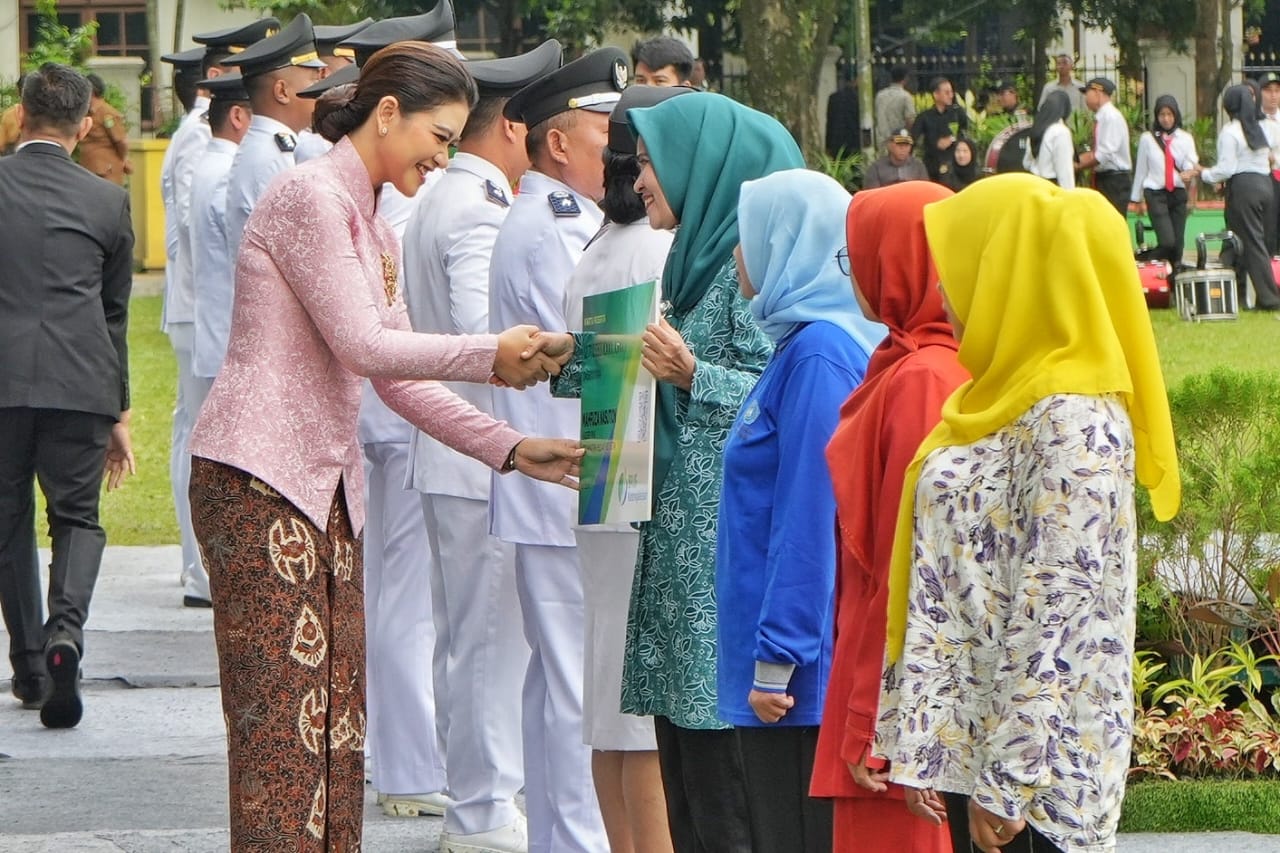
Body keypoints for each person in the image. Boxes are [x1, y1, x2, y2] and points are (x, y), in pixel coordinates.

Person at [186, 42, 581, 850]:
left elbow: (398, 382)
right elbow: (365, 345)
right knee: (283, 738)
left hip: (319, 486)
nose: (443, 156)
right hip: (256, 475)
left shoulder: (372, 226)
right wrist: (488, 355)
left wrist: (510, 447)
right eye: (439, 135)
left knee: (334, 725)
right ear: (387, 112)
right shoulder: (309, 197)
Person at [874, 173, 1181, 853]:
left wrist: (1008, 779)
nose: (948, 293)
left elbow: (1057, 612)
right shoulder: (1000, 398)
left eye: (965, 267)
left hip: (1037, 790)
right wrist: (930, 739)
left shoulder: (1075, 421)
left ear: (1015, 274)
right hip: (981, 758)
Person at [543, 91, 802, 853]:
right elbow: (648, 362)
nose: (639, 180)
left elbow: (787, 394)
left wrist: (696, 374)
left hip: (716, 554)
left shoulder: (747, 271)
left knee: (716, 778)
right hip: (678, 553)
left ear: (704, 168)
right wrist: (564, 360)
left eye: (654, 163)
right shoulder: (695, 265)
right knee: (683, 759)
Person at [401, 39, 563, 853]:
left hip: (456, 452)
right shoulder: (475, 209)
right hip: (479, 451)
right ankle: (485, 810)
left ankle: (478, 802)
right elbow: (480, 336)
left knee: (469, 640)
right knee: (491, 648)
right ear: (513, 128)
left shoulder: (446, 196)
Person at [489, 47, 631, 853]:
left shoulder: (561, 219)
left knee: (558, 684)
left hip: (563, 480)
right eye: (601, 128)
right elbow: (588, 356)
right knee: (579, 685)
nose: (613, 145)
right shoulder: (554, 228)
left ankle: (559, 839)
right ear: (556, 144)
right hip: (564, 478)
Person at [716, 169, 882, 853]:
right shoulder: (800, 345)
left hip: (795, 686)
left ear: (787, 242)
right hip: (784, 677)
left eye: (747, 236)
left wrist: (778, 658)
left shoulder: (818, 353)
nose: (736, 254)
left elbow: (811, 516)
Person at [555, 81, 694, 853]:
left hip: (608, 480)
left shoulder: (596, 250)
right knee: (642, 720)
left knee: (612, 706)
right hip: (649, 487)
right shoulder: (662, 249)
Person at [809, 181, 962, 853]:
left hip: (893, 704)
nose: (854, 275)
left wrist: (872, 717)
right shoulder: (907, 361)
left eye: (857, 257)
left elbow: (903, 564)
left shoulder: (921, 380)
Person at [0, 62, 135, 729]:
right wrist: (119, 409)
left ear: (21, 115)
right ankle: (66, 635)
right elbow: (114, 314)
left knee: (8, 520)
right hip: (82, 381)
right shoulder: (106, 202)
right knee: (76, 519)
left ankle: (28, 664)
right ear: (84, 127)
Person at [161, 19, 274, 609]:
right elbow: (191, 243)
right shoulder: (209, 159)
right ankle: (204, 571)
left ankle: (204, 570)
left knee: (202, 440)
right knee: (206, 446)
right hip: (204, 317)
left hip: (204, 316)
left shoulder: (212, 157)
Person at [221, 14, 327, 262]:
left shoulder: (271, 147)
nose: (319, 92)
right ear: (282, 91)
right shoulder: (272, 157)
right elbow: (296, 253)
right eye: (313, 80)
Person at [188, 73, 252, 405]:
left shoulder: (210, 164)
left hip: (216, 334)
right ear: (238, 117)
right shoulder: (228, 172)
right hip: (230, 338)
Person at [1195, 85, 1280, 310]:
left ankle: (1269, 298)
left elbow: (1226, 168)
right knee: (1249, 242)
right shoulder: (1264, 126)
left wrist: (1202, 172)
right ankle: (1240, 294)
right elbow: (1273, 155)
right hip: (1265, 185)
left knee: (1251, 244)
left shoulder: (1231, 131)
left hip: (1244, 187)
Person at [1131, 95, 1198, 270]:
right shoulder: (1148, 139)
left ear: (1176, 115)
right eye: (1162, 114)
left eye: (1170, 114)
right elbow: (1141, 170)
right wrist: (1136, 199)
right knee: (1167, 241)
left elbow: (1190, 161)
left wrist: (1188, 171)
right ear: (1157, 116)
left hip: (1177, 193)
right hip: (1155, 194)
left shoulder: (1185, 138)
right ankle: (1142, 261)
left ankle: (1173, 283)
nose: (1166, 119)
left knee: (1178, 246)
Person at [1076, 77, 1132, 217]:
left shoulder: (1111, 117)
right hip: (1104, 179)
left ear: (1097, 92)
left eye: (1087, 93)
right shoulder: (1102, 117)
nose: (1085, 98)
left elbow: (1104, 154)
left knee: (1112, 223)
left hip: (1114, 182)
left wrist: (1077, 165)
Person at [77, 73, 131, 184]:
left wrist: (124, 159)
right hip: (87, 169)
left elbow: (121, 141)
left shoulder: (107, 113)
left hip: (105, 171)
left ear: (91, 92)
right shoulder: (85, 112)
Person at [911, 77, 968, 182]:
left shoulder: (958, 113)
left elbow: (965, 133)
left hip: (954, 165)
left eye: (951, 92)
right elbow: (912, 140)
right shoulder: (924, 117)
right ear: (936, 95)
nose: (951, 95)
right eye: (946, 92)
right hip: (932, 165)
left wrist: (951, 139)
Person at [1025, 89, 1075, 189]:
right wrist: (1070, 195)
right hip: (1052, 187)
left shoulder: (1037, 128)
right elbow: (1064, 171)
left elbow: (1026, 163)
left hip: (1036, 185)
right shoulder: (1060, 132)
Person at [1256, 71, 1280, 253]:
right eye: (1268, 91)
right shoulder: (1254, 122)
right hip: (1266, 179)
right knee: (1269, 228)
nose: (1273, 95)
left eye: (1277, 90)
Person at [861, 127, 928, 189]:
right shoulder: (876, 168)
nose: (903, 149)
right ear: (889, 145)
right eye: (899, 145)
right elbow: (871, 195)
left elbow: (925, 191)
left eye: (907, 145)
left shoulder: (918, 167)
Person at [874, 64, 915, 149]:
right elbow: (910, 121)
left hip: (881, 140)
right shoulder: (906, 97)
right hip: (899, 141)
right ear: (905, 78)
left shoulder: (880, 95)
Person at [826, 72, 860, 157]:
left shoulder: (833, 98)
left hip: (836, 145)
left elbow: (829, 124)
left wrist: (828, 146)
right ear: (856, 79)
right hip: (854, 144)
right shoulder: (858, 99)